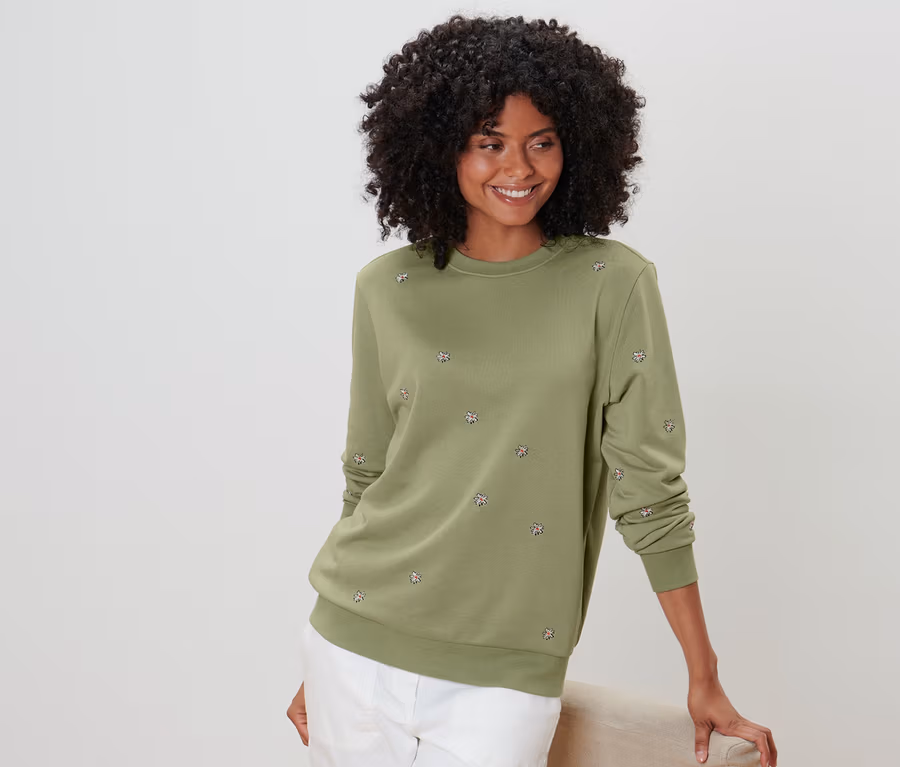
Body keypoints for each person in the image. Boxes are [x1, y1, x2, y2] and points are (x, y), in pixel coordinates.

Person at [287, 13, 777, 767]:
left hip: (507, 671)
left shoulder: (613, 283)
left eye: (541, 141)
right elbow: (368, 473)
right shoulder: (387, 286)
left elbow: (649, 490)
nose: (518, 166)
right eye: (489, 142)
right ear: (441, 146)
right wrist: (321, 662)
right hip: (349, 645)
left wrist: (703, 675)